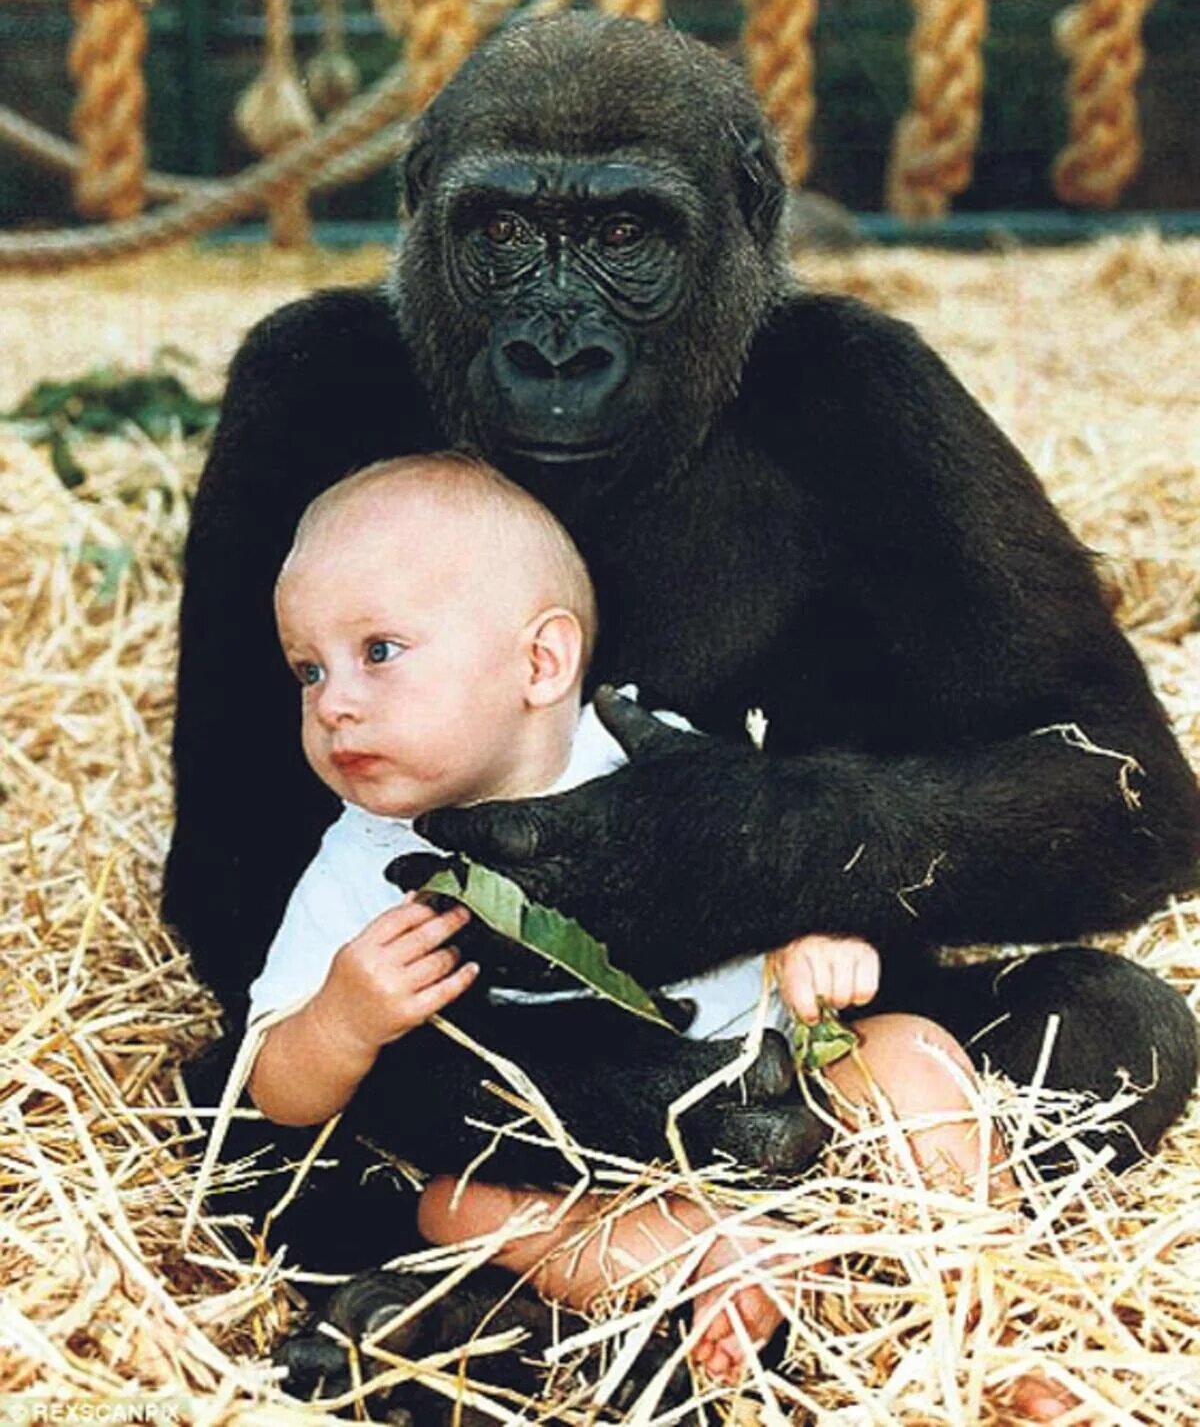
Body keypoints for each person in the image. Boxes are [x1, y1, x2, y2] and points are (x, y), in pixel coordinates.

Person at [246, 452, 1070, 1417]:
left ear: (541, 663)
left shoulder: (658, 753)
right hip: (596, 1177)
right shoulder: (360, 864)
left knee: (912, 1060)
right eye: (308, 670)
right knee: (455, 1208)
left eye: (378, 651)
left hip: (776, 1094)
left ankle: (988, 1323)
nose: (333, 701)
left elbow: (777, 870)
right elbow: (276, 1090)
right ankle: (726, 1268)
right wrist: (342, 1020)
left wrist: (816, 941)